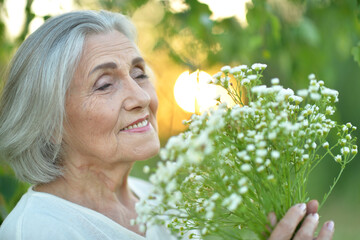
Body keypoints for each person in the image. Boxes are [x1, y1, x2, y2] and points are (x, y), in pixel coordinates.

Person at [0, 10, 334, 240]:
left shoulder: (164, 202)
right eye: (105, 84)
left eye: (139, 73)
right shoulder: (37, 230)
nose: (140, 97)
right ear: (49, 122)